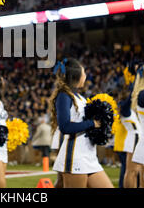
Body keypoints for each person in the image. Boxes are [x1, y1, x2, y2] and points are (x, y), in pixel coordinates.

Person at [48, 58, 113, 188]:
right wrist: (92, 124)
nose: (85, 76)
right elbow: (65, 126)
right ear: (77, 76)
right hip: (75, 157)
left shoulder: (81, 98)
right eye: (84, 73)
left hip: (89, 155)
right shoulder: (64, 96)